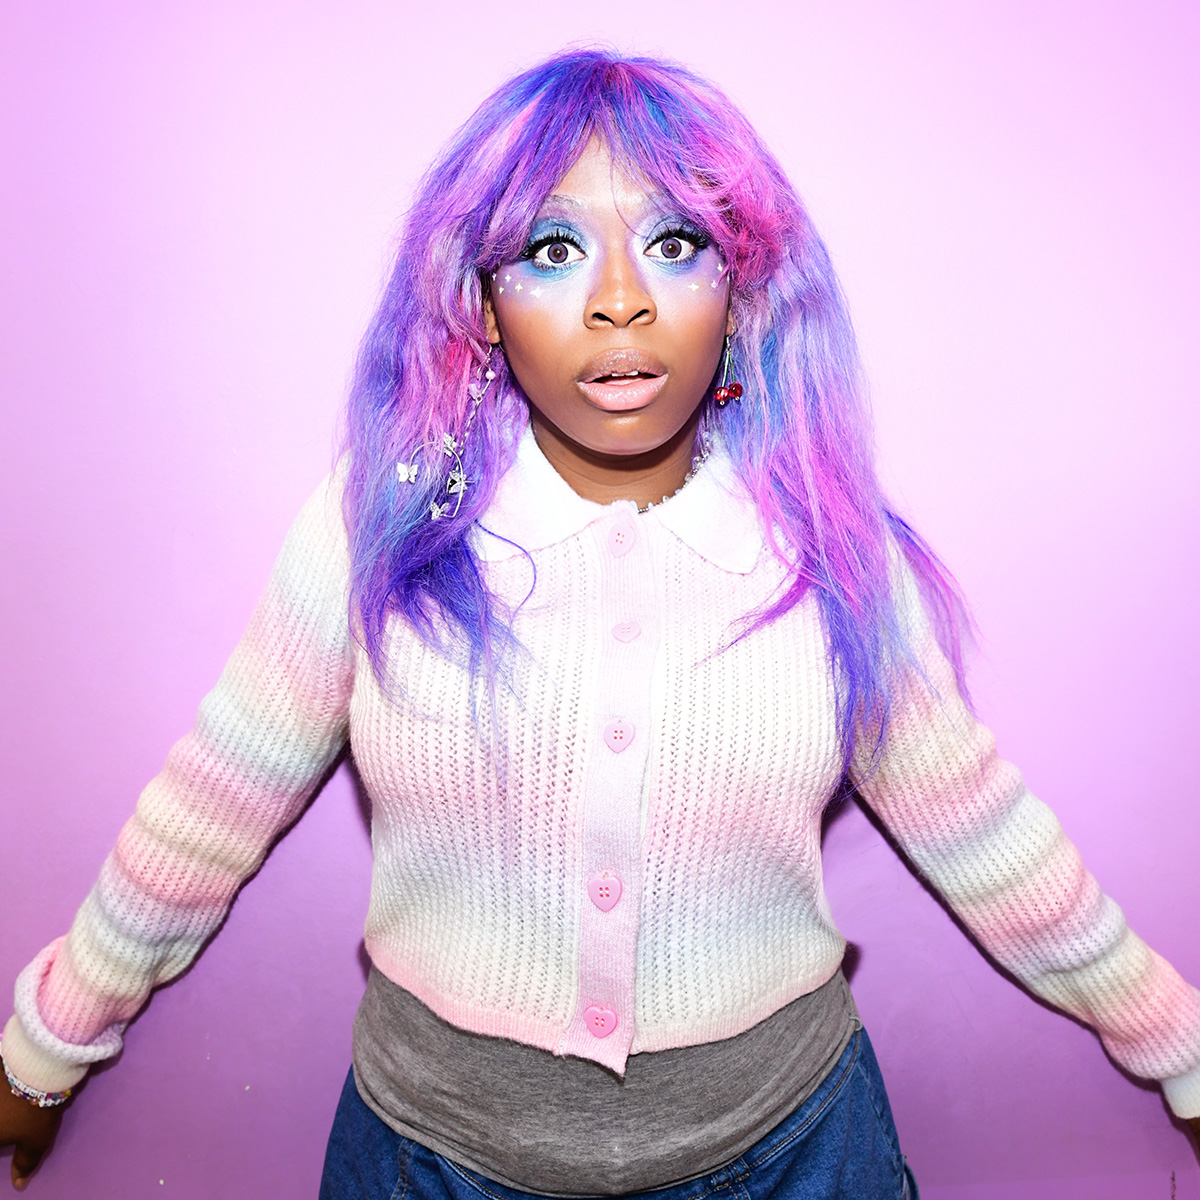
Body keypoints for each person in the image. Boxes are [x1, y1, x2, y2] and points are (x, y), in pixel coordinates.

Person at [2, 48, 1198, 1199]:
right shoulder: (382, 525)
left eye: (676, 244)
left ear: (740, 291)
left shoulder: (831, 551)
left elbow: (978, 824)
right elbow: (219, 793)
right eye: (552, 249)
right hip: (430, 1166)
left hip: (795, 1158)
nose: (620, 300)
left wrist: (1179, 1047)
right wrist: (51, 1040)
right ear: (480, 305)